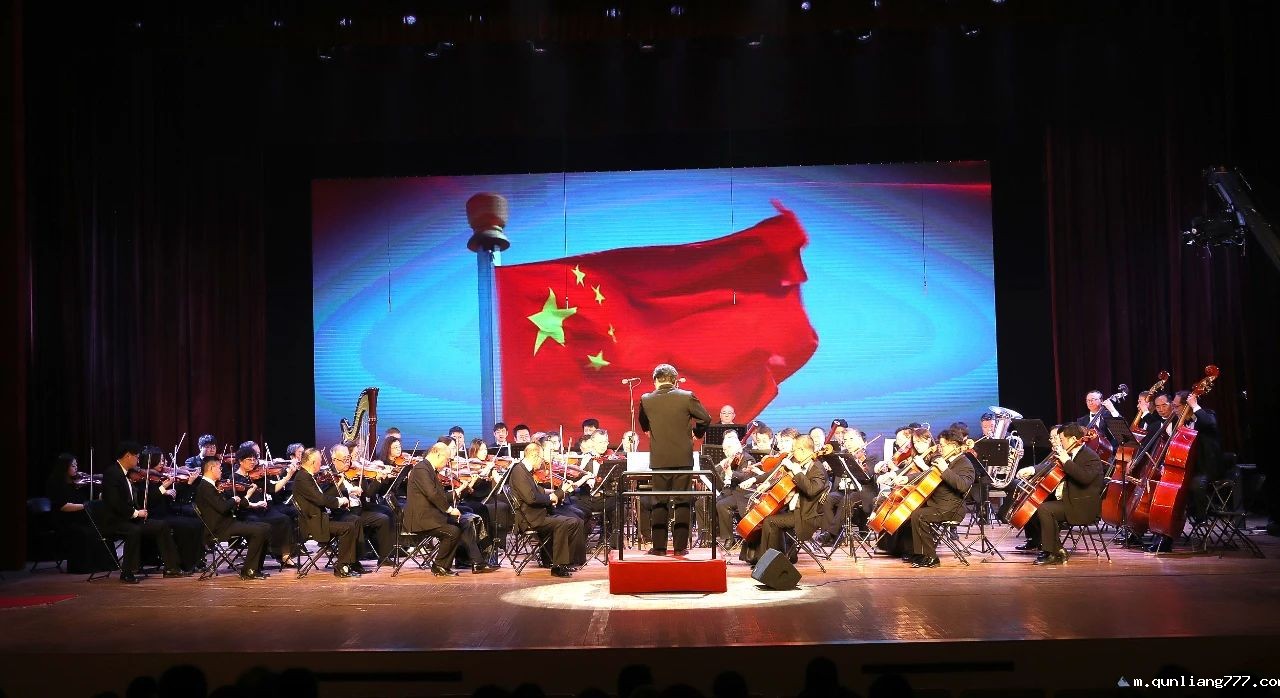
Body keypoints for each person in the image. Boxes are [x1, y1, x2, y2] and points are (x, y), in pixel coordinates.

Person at [638, 363, 712, 555]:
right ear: (675, 381)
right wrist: (697, 433)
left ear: (655, 380)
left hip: (659, 460)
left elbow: (643, 423)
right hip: (683, 459)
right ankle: (680, 548)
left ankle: (659, 548)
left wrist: (650, 431)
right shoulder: (686, 397)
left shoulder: (646, 399)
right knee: (682, 502)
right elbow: (705, 418)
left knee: (659, 502)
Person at [96, 441, 186, 583]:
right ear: (128, 456)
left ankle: (172, 568)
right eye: (136, 457)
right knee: (134, 530)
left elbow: (137, 498)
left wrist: (140, 509)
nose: (138, 461)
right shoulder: (112, 473)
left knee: (161, 526)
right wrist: (136, 513)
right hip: (114, 521)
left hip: (128, 518)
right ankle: (127, 572)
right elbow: (115, 502)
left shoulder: (127, 474)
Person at [738, 435, 829, 567]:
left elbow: (811, 490)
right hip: (794, 509)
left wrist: (797, 472)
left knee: (771, 521)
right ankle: (762, 559)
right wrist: (756, 480)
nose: (792, 452)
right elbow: (775, 474)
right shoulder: (798, 463)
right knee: (766, 518)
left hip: (806, 515)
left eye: (794, 449)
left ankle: (772, 563)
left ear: (802, 450)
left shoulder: (817, 469)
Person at [405, 442, 495, 575]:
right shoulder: (421, 469)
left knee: (465, 522)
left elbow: (439, 495)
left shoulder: (429, 469)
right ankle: (439, 566)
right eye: (446, 459)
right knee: (453, 531)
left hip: (432, 514)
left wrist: (458, 491)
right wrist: (449, 510)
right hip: (422, 518)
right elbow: (432, 494)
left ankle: (478, 562)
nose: (447, 463)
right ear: (437, 454)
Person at [1029, 423, 1106, 565]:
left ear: (1073, 439)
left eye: (1062, 439)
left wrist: (1067, 461)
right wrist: (1032, 470)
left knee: (1045, 509)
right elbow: (1049, 466)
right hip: (1069, 501)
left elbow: (1084, 478)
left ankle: (1052, 553)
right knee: (1036, 508)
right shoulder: (1069, 454)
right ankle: (1056, 550)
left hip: (1082, 507)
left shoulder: (1091, 457)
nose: (1060, 442)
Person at [507, 443, 585, 577]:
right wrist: (553, 496)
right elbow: (531, 499)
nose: (542, 462)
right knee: (563, 523)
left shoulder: (525, 471)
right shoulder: (519, 471)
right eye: (541, 458)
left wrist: (557, 492)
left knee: (574, 522)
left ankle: (567, 562)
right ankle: (558, 566)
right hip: (529, 519)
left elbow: (537, 491)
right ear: (534, 455)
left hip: (537, 514)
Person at [905, 428, 975, 568]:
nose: (940, 449)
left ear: (953, 445)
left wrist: (945, 470)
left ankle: (932, 557)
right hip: (938, 505)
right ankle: (920, 554)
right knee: (911, 512)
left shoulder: (965, 464)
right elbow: (929, 474)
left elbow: (962, 486)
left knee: (919, 516)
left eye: (942, 445)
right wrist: (906, 478)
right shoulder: (946, 460)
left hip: (952, 509)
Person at [193, 456, 271, 579]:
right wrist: (234, 499)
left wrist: (242, 500)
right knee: (259, 530)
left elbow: (224, 506)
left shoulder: (211, 486)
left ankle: (256, 567)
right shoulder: (205, 487)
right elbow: (223, 507)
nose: (221, 471)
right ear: (212, 468)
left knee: (266, 527)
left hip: (227, 523)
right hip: (219, 528)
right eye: (219, 468)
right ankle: (249, 570)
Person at [292, 447, 362, 578]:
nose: (321, 464)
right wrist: (340, 501)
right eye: (319, 461)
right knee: (348, 528)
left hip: (321, 518)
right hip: (314, 524)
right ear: (312, 462)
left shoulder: (308, 476)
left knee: (354, 520)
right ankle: (341, 566)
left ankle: (352, 563)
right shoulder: (303, 478)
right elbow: (320, 499)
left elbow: (321, 497)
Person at [713, 431, 760, 550]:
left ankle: (729, 538)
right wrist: (721, 466)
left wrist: (730, 473)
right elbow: (715, 474)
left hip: (743, 493)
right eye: (724, 449)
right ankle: (712, 536)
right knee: (709, 502)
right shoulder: (730, 459)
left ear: (735, 447)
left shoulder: (747, 458)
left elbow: (745, 477)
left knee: (722, 505)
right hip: (731, 491)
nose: (725, 452)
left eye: (727, 449)